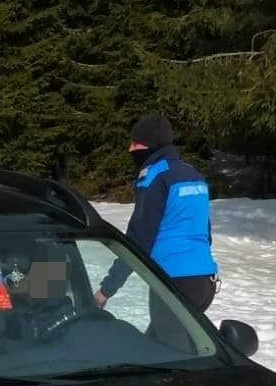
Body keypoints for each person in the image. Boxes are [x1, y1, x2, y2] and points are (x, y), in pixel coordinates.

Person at [93, 114, 218, 318]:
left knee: (165, 348)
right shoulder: (193, 174)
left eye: (135, 143)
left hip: (173, 284)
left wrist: (105, 291)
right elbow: (205, 233)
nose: (130, 149)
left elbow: (138, 240)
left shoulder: (153, 177)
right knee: (166, 345)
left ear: (149, 145)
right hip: (204, 282)